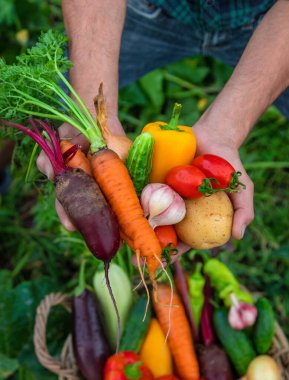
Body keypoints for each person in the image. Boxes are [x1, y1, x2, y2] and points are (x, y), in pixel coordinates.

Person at [37, 0, 289, 242]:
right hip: (149, 9)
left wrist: (226, 128)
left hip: (274, 24)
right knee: (39, 102)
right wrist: (91, 113)